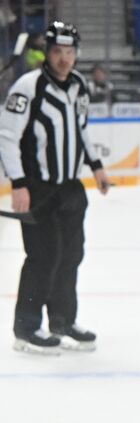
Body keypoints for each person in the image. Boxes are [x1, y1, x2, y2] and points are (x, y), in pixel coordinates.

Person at [0, 21, 112, 355]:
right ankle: (27, 328)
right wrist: (18, 184)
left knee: (71, 255)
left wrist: (97, 166)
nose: (64, 58)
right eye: (58, 52)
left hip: (70, 188)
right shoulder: (28, 86)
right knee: (42, 257)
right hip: (37, 188)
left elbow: (80, 130)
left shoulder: (78, 85)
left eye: (69, 52)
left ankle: (62, 322)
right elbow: (7, 137)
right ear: (47, 53)